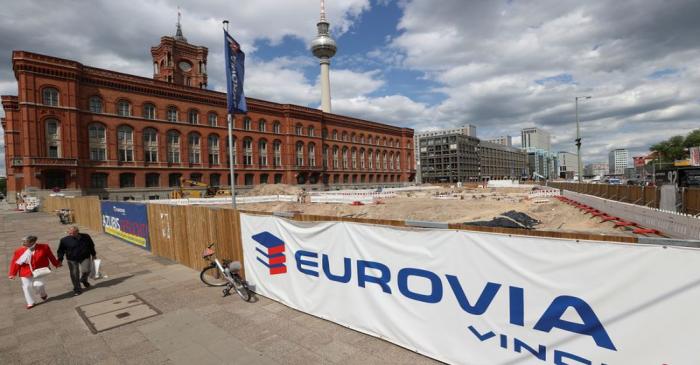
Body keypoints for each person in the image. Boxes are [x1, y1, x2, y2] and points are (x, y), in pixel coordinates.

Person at [8, 236, 61, 309]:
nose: (22, 243)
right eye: (22, 242)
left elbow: (50, 256)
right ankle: (30, 302)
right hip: (25, 271)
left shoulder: (44, 247)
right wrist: (12, 274)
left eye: (25, 242)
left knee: (39, 285)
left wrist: (56, 264)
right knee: (26, 287)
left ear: (32, 242)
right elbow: (15, 262)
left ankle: (43, 294)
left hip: (39, 271)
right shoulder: (19, 251)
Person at [58, 226, 96, 295]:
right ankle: (77, 289)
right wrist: (60, 260)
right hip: (72, 259)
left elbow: (91, 245)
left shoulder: (86, 236)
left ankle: (83, 280)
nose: (70, 235)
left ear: (77, 232)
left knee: (86, 270)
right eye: (69, 233)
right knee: (74, 274)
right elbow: (60, 251)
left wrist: (93, 255)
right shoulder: (64, 240)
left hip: (85, 257)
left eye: (72, 233)